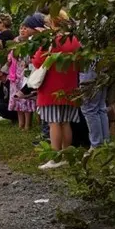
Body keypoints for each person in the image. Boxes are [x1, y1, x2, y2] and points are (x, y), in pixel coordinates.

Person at [33, 10, 81, 170]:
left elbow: (37, 61)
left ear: (53, 23)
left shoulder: (51, 41)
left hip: (51, 87)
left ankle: (55, 157)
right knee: (65, 122)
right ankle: (67, 155)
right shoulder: (75, 40)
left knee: (54, 122)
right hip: (70, 86)